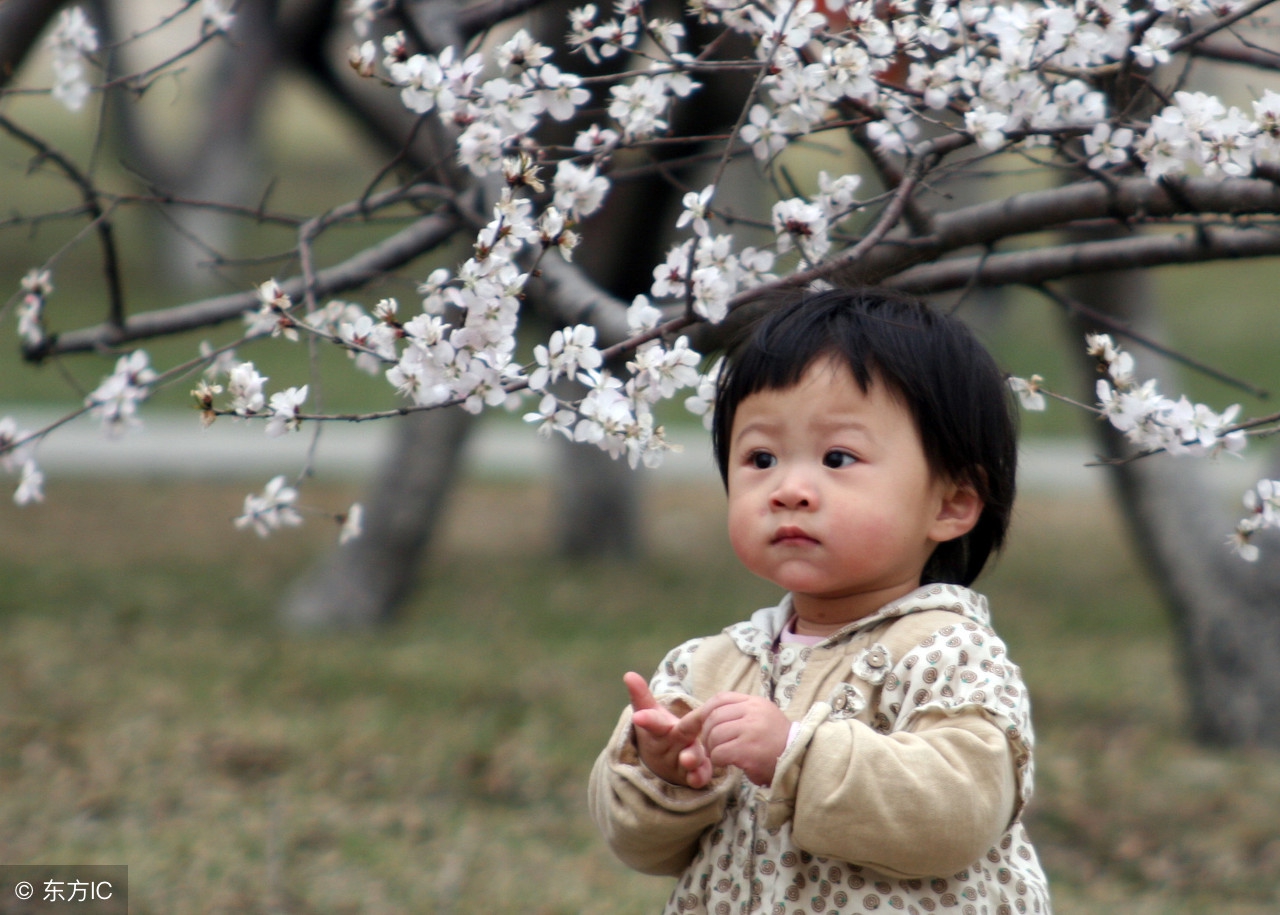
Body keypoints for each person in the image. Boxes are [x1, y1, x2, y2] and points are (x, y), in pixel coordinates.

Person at [588, 287, 1051, 914]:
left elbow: (957, 816)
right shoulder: (709, 668)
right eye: (761, 457)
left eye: (838, 457)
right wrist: (664, 774)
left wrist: (794, 755)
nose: (790, 489)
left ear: (951, 504)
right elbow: (642, 850)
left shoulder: (947, 654)